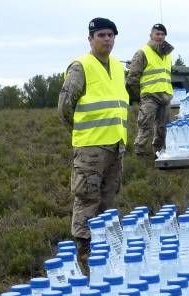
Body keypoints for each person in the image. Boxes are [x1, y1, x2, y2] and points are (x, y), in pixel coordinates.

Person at [58, 17, 129, 274]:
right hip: (90, 148)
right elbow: (65, 108)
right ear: (90, 39)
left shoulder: (119, 67)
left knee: (108, 201)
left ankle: (105, 251)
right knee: (87, 199)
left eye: (111, 35)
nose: (107, 39)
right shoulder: (81, 67)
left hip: (115, 145)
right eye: (101, 35)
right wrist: (81, 133)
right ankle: (85, 255)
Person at [127, 23, 174, 157]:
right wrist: (139, 97)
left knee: (163, 128)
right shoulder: (142, 52)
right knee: (145, 126)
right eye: (157, 34)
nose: (160, 37)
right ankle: (139, 155)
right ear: (151, 35)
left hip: (165, 96)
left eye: (162, 34)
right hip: (149, 97)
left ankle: (159, 154)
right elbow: (132, 78)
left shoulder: (168, 54)